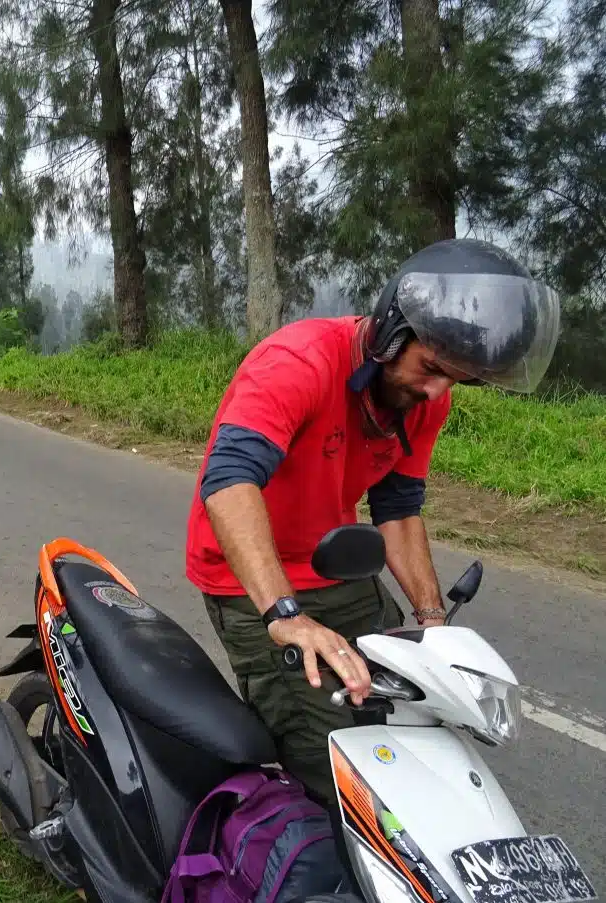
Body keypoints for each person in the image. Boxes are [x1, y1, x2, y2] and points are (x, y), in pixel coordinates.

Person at [185, 238, 560, 805]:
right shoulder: (299, 362)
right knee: (331, 754)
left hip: (339, 567)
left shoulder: (424, 398)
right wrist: (287, 615)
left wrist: (434, 622)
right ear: (391, 334)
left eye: (455, 379)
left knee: (410, 712)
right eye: (431, 367)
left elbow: (399, 509)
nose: (437, 391)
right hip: (253, 580)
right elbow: (229, 481)